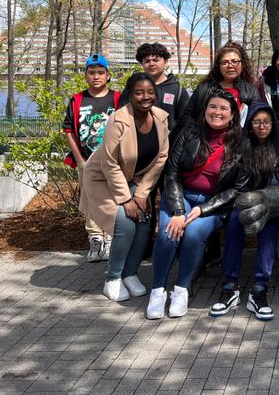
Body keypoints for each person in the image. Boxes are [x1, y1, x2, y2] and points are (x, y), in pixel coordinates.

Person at [147, 90, 250, 319]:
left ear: (233, 115)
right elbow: (172, 172)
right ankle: (158, 290)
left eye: (224, 108)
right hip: (180, 196)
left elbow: (237, 188)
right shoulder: (190, 132)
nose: (217, 112)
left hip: (212, 203)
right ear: (205, 110)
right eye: (213, 106)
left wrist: (203, 209)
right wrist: (178, 210)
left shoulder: (241, 143)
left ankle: (181, 289)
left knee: (193, 234)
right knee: (168, 233)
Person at [78, 73, 169, 302]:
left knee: (145, 218)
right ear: (130, 94)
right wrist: (126, 200)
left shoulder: (160, 118)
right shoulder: (118, 119)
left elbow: (161, 158)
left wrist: (140, 194)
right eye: (139, 92)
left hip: (133, 178)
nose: (145, 97)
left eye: (150, 92)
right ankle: (113, 277)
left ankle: (130, 273)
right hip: (102, 178)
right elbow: (109, 162)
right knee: (125, 222)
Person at [211, 102, 279, 320]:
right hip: (245, 200)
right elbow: (240, 179)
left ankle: (260, 289)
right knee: (235, 225)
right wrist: (248, 197)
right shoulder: (244, 145)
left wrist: (262, 197)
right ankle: (229, 286)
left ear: (273, 124)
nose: (261, 126)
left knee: (268, 231)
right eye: (256, 122)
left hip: (271, 202)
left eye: (266, 122)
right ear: (250, 125)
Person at [62, 54, 121, 262]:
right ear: (86, 75)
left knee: (113, 198)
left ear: (107, 75)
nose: (96, 76)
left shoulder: (117, 98)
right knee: (90, 199)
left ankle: (110, 238)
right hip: (87, 160)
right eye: (92, 72)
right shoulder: (78, 99)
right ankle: (95, 239)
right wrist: (80, 160)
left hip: (113, 161)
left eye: (100, 72)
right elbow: (68, 129)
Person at [180, 42, 260, 127]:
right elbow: (187, 115)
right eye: (225, 62)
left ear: (242, 64)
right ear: (219, 66)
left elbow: (257, 119)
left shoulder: (251, 91)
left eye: (234, 61)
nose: (230, 66)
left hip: (239, 138)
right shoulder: (204, 89)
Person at [120, 42, 189, 131]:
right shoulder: (132, 87)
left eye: (156, 60)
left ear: (165, 61)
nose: (151, 64)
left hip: (169, 142)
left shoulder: (178, 91)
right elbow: (122, 114)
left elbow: (185, 122)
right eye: (147, 61)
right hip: (137, 141)